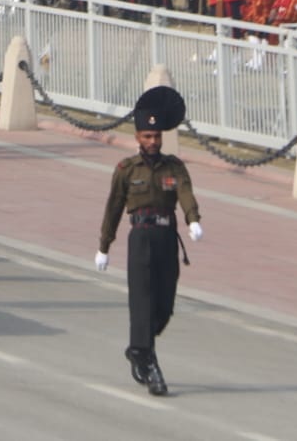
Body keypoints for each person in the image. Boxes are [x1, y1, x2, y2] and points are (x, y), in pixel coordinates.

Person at [96, 85, 203, 397]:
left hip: (167, 237)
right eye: (147, 137)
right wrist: (104, 246)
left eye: (157, 137)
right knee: (142, 302)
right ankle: (147, 358)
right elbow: (113, 207)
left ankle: (138, 347)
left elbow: (184, 192)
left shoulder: (174, 166)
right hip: (140, 237)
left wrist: (193, 219)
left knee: (164, 305)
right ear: (138, 137)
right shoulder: (127, 170)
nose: (153, 142)